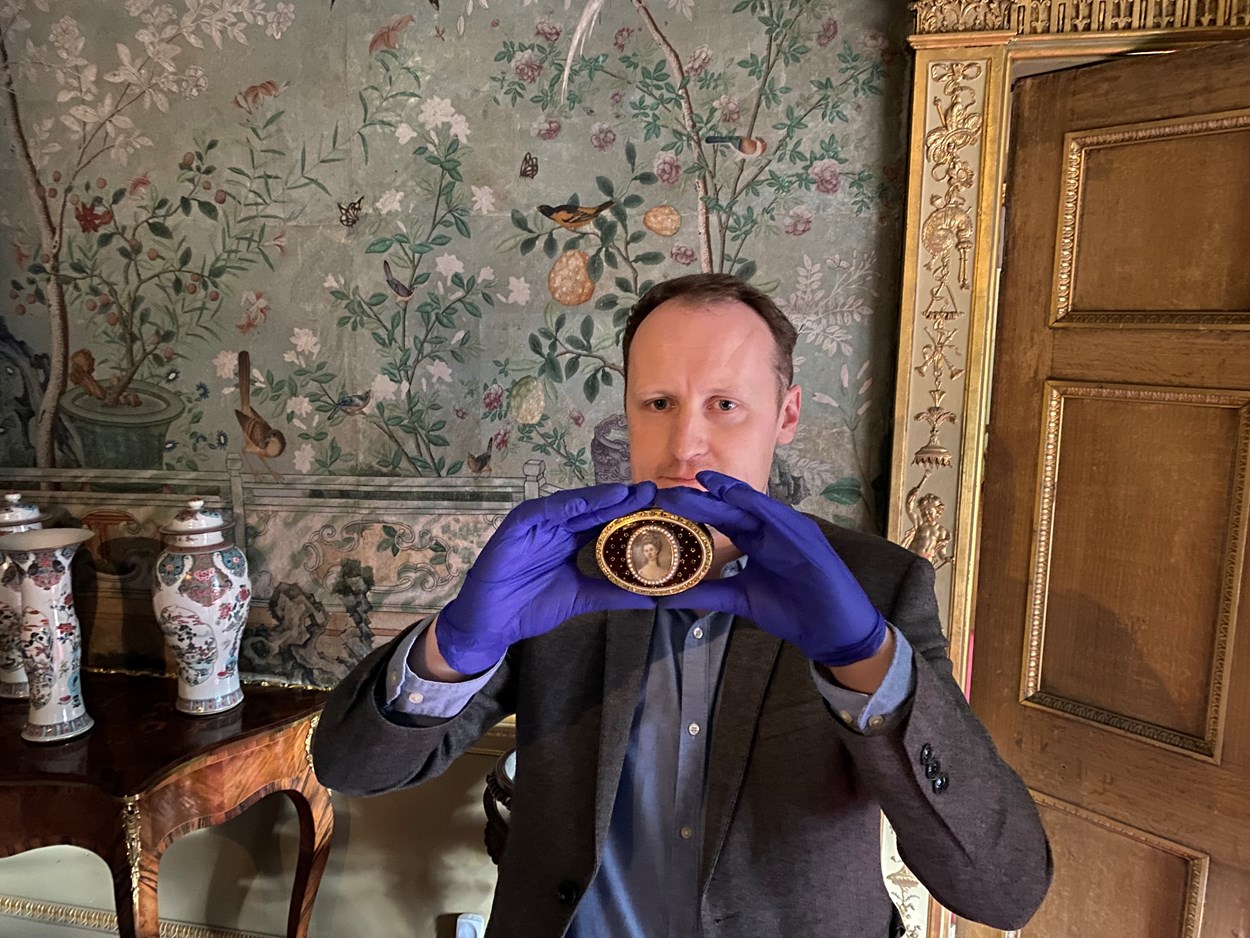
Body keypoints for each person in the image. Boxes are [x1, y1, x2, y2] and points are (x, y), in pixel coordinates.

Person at [313, 273, 1052, 938]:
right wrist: (457, 643)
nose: (684, 445)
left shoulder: (877, 584)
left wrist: (865, 660)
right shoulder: (559, 568)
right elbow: (352, 769)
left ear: (786, 414)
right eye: (658, 403)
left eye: (725, 405)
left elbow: (1003, 890)